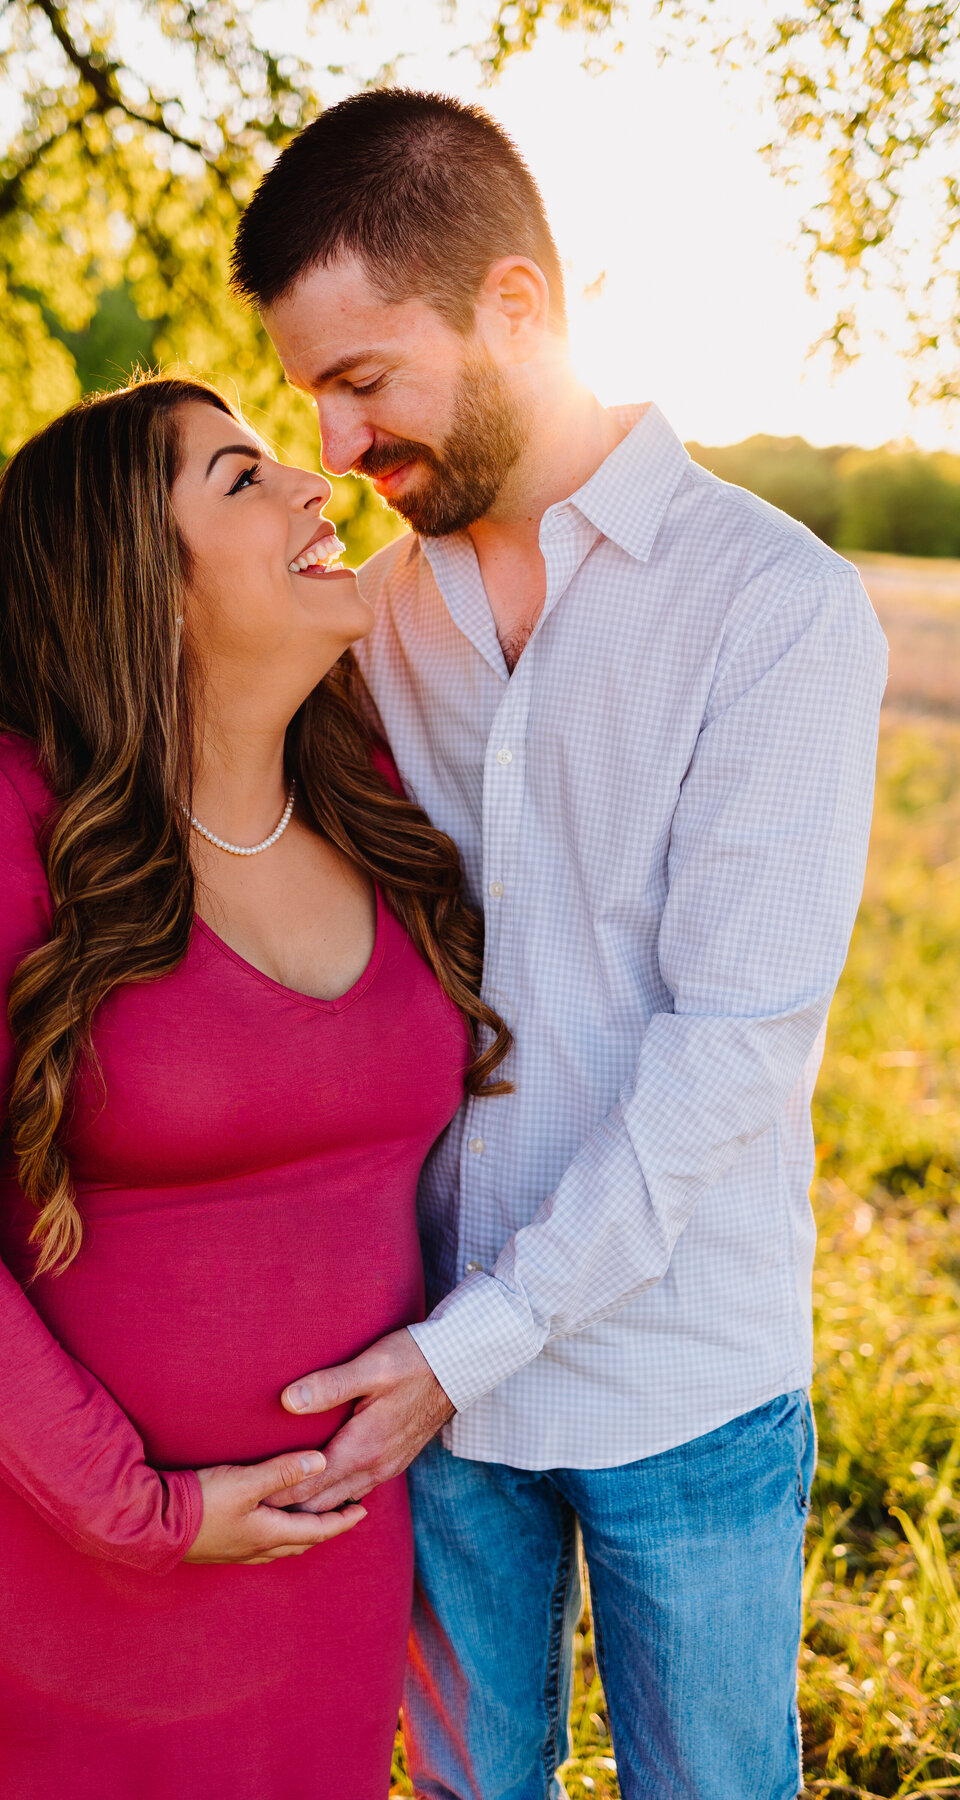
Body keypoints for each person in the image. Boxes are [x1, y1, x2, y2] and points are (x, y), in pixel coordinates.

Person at [230, 88, 888, 1799]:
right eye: (311, 396)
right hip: (423, 1374)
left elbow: (732, 1048)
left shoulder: (774, 606)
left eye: (363, 379)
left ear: (515, 307)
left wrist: (463, 1353)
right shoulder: (369, 617)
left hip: (681, 1372)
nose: (336, 444)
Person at [0, 374, 511, 1800]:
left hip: (332, 1546)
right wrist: (143, 1509)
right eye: (243, 479)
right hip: (60, 1559)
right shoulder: (13, 815)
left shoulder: (373, 795)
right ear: (144, 582)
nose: (316, 487)